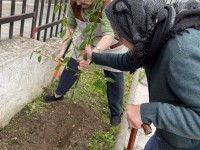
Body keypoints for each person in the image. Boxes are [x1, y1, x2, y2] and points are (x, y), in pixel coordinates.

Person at [78, 0, 200, 149]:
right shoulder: (154, 34)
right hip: (167, 136)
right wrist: (94, 56)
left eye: (118, 35)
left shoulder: (181, 53)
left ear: (132, 28)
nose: (120, 42)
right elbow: (126, 61)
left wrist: (147, 112)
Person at [44, 0, 128, 126]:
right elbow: (70, 27)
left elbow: (108, 34)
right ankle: (58, 94)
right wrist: (62, 50)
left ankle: (116, 112)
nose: (78, 2)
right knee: (72, 65)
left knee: (114, 75)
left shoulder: (106, 5)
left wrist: (93, 54)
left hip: (110, 43)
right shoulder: (74, 4)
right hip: (87, 40)